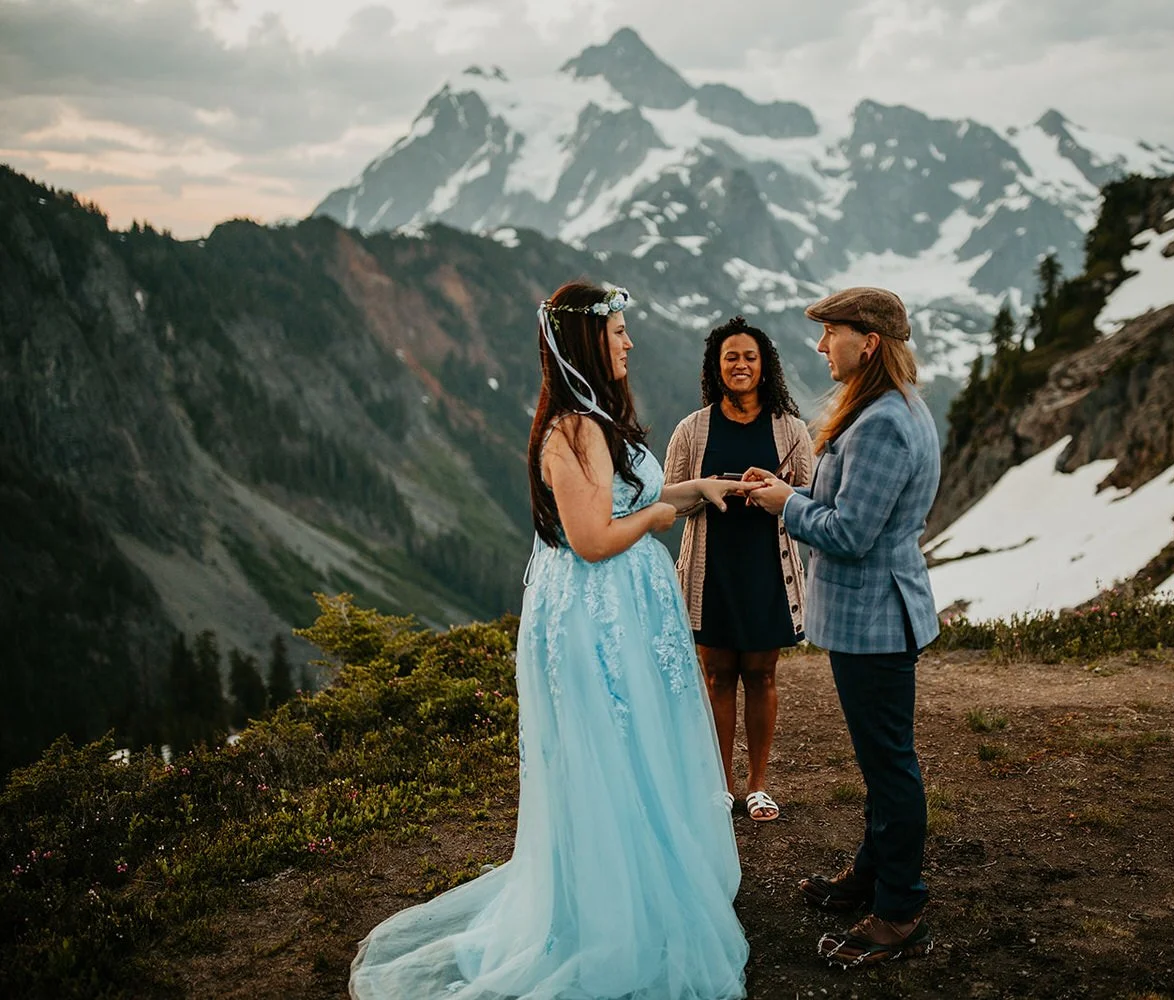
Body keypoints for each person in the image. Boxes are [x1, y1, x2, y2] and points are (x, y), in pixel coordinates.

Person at [349, 282, 756, 1000]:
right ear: (588, 342)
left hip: (621, 611)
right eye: (620, 331)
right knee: (611, 754)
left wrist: (704, 490)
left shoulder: (598, 419)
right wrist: (662, 519)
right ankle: (614, 915)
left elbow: (634, 499)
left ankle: (643, 883)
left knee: (636, 751)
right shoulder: (574, 430)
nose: (630, 342)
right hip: (598, 619)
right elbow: (594, 539)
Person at [745, 286, 941, 969]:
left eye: (832, 334)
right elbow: (851, 508)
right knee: (880, 757)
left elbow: (853, 534)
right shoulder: (886, 409)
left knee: (890, 765)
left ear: (871, 343)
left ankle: (900, 908)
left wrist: (782, 506)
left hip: (876, 619)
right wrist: (791, 492)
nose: (822, 346)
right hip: (875, 616)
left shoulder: (883, 421)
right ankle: (870, 872)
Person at [664, 316, 813, 823]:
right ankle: (722, 786)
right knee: (716, 675)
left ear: (764, 365)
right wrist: (711, 487)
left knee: (762, 672)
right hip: (712, 570)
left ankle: (759, 786)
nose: (741, 365)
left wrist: (775, 487)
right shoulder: (692, 429)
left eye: (750, 356)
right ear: (716, 366)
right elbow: (670, 503)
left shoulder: (791, 430)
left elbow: (810, 499)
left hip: (768, 568)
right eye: (731, 357)